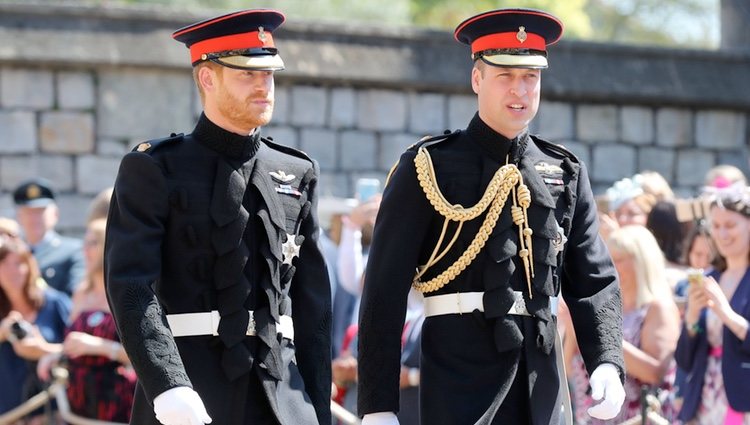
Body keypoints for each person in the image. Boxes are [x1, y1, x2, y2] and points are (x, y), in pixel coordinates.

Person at [357, 8, 625, 425]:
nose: (520, 90)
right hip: (460, 380)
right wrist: (377, 404)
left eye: (530, 77)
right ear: (477, 79)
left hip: (541, 379)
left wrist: (607, 359)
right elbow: (383, 293)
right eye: (505, 76)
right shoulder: (428, 166)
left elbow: (594, 280)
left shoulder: (564, 171)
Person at [104, 9, 331, 425]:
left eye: (269, 74)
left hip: (283, 396)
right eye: (247, 74)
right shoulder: (156, 168)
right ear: (207, 78)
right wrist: (168, 385)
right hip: (192, 391)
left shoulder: (297, 171)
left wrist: (317, 405)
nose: (264, 86)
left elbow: (313, 307)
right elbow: (131, 285)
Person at [567, 225, 680, 424]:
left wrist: (603, 334)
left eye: (619, 259)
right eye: (609, 258)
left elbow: (655, 373)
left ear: (642, 262)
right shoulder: (606, 308)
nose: (610, 265)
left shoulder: (657, 308)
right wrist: (573, 326)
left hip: (638, 417)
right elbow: (570, 370)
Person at [37, 218, 136, 422]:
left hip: (118, 399)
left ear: (109, 246)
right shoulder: (82, 293)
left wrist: (100, 347)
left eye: (93, 243)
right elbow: (73, 344)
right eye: (85, 243)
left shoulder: (126, 293)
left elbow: (146, 352)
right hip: (79, 399)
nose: (85, 250)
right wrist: (55, 355)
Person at [675, 186, 750, 424]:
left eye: (730, 225)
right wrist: (692, 318)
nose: (722, 234)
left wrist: (727, 315)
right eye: (716, 226)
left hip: (741, 398)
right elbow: (684, 359)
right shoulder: (710, 278)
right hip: (704, 397)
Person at [0, 233, 71, 424]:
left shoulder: (55, 303)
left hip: (54, 412)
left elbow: (78, 351)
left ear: (29, 266)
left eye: (17, 264)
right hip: (8, 416)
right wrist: (3, 332)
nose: (11, 271)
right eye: (3, 264)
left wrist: (43, 349)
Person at [13, 178, 85, 297]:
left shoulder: (74, 251)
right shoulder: (12, 253)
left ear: (55, 214)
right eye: (28, 212)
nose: (34, 218)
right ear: (19, 216)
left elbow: (75, 295)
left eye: (40, 211)